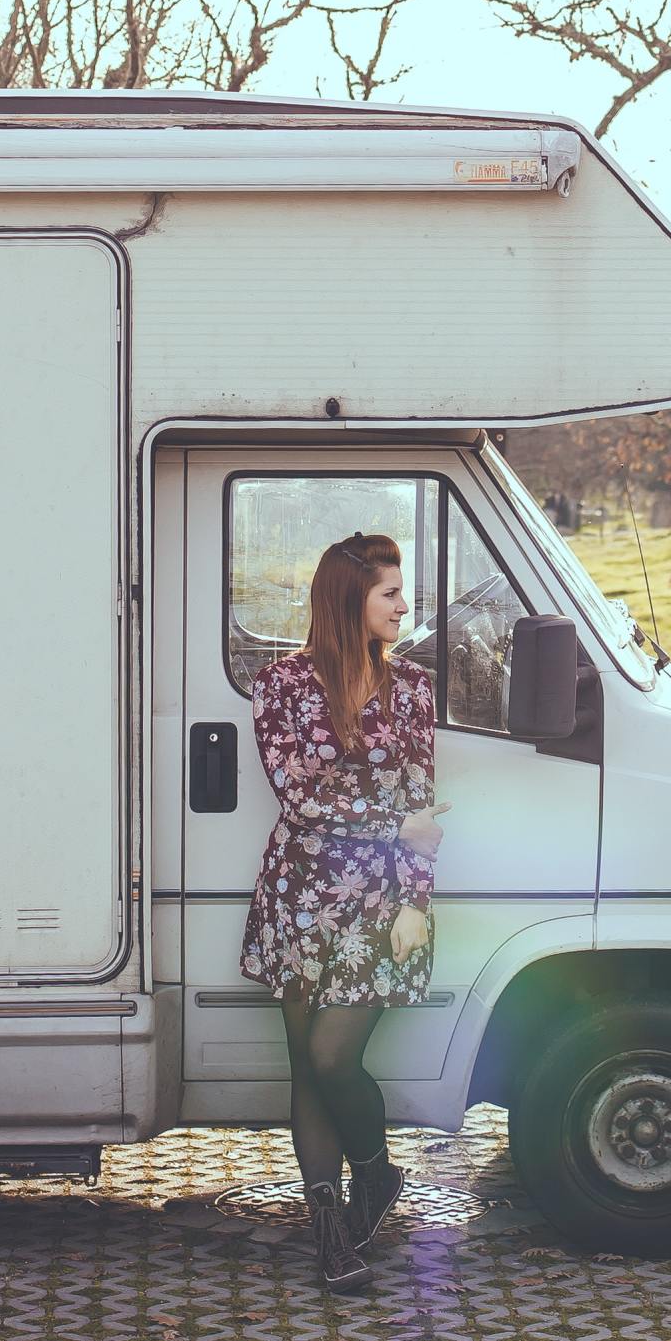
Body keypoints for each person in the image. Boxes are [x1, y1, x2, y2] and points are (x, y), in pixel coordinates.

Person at [239, 529, 447, 1294]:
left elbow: (424, 806)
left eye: (401, 590)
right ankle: (330, 1233)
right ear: (346, 599)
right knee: (306, 1066)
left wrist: (415, 903)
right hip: (299, 897)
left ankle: (376, 1171)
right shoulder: (281, 683)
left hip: (383, 903)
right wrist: (391, 825)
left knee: (333, 1059)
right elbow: (299, 793)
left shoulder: (414, 688)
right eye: (389, 591)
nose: (403, 603)